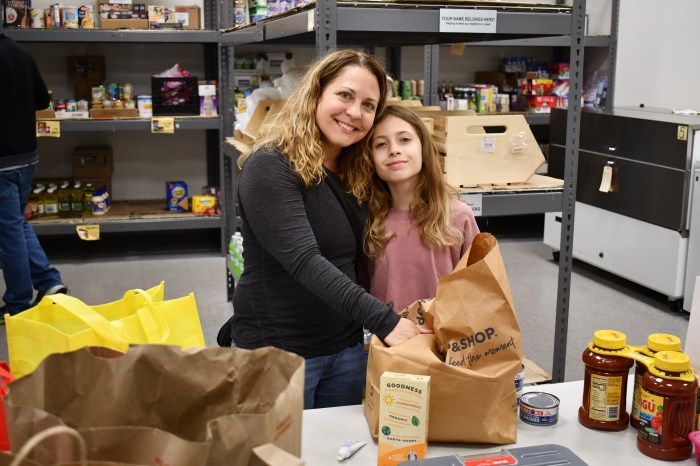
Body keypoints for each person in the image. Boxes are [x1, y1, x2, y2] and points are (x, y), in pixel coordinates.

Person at [228, 49, 429, 410]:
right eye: (345, 95)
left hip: (346, 348)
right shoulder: (271, 165)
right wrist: (384, 320)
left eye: (369, 105)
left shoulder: (356, 168)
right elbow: (306, 261)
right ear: (316, 93)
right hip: (279, 353)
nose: (355, 113)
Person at [358, 104, 480, 312]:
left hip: (446, 339)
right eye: (380, 144)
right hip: (386, 340)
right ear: (370, 160)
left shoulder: (458, 216)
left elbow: (478, 287)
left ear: (423, 148)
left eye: (404, 140)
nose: (394, 150)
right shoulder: (367, 219)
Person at [0, 33, 67, 317]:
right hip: (27, 156)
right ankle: (49, 282)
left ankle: (18, 304)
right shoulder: (21, 53)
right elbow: (42, 101)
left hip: (2, 160)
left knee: (7, 234)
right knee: (15, 224)